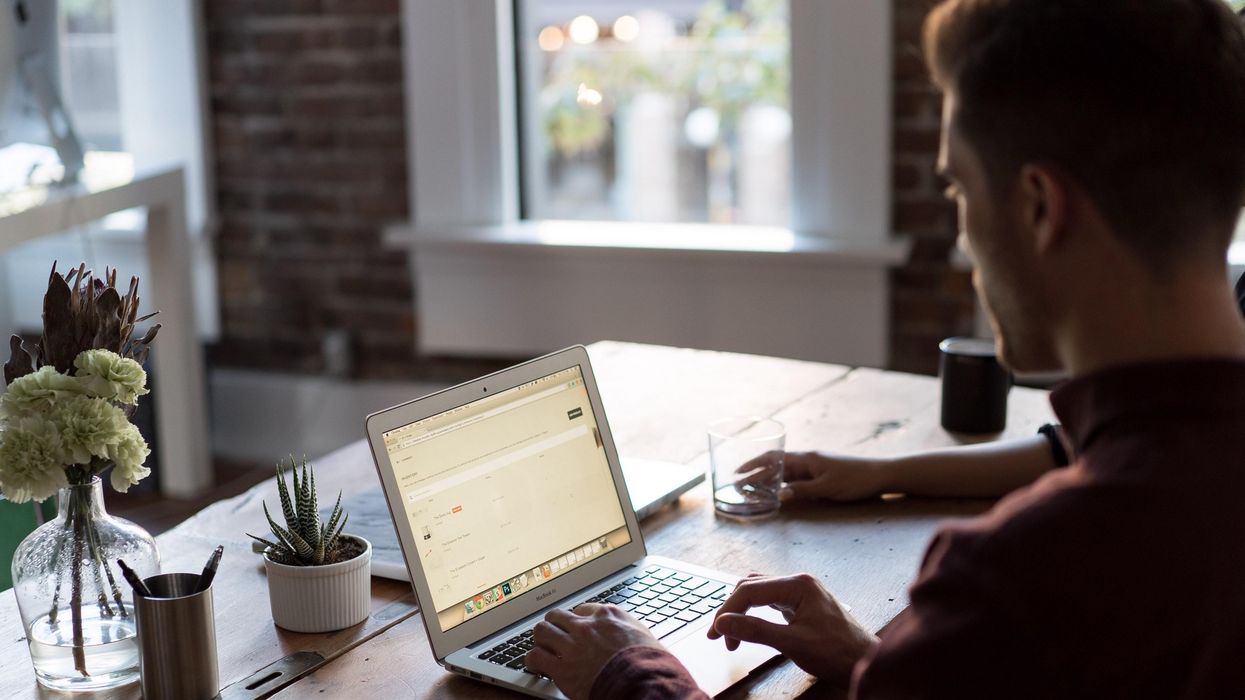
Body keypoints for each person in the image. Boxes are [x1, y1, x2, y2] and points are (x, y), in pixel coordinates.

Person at [524, 0, 1245, 697]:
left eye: (959, 189)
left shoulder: (1025, 575)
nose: (964, 242)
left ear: (1036, 208)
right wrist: (882, 666)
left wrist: (627, 672)